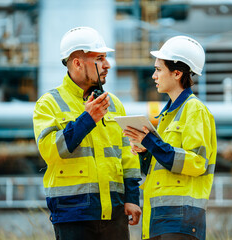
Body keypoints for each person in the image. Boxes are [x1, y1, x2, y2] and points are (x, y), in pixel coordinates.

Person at [33, 26, 142, 240]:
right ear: (77, 63)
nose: (107, 65)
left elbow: (128, 156)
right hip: (72, 213)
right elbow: (50, 151)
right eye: (100, 58)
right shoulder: (48, 104)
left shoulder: (114, 105)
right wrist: (87, 120)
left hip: (114, 212)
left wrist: (132, 197)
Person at [123, 36, 217, 240]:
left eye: (158, 69)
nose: (154, 76)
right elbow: (165, 165)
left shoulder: (194, 110)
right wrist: (146, 151)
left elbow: (197, 162)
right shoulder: (167, 117)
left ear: (177, 73)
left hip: (180, 220)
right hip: (160, 219)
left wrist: (151, 142)